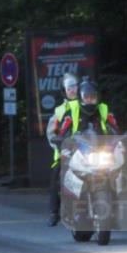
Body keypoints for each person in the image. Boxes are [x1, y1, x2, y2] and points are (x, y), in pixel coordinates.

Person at [46, 73, 81, 226]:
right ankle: (54, 212)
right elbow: (51, 133)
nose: (72, 90)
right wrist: (60, 147)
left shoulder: (88, 105)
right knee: (56, 178)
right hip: (65, 153)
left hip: (87, 151)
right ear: (64, 91)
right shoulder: (59, 111)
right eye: (69, 88)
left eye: (74, 86)